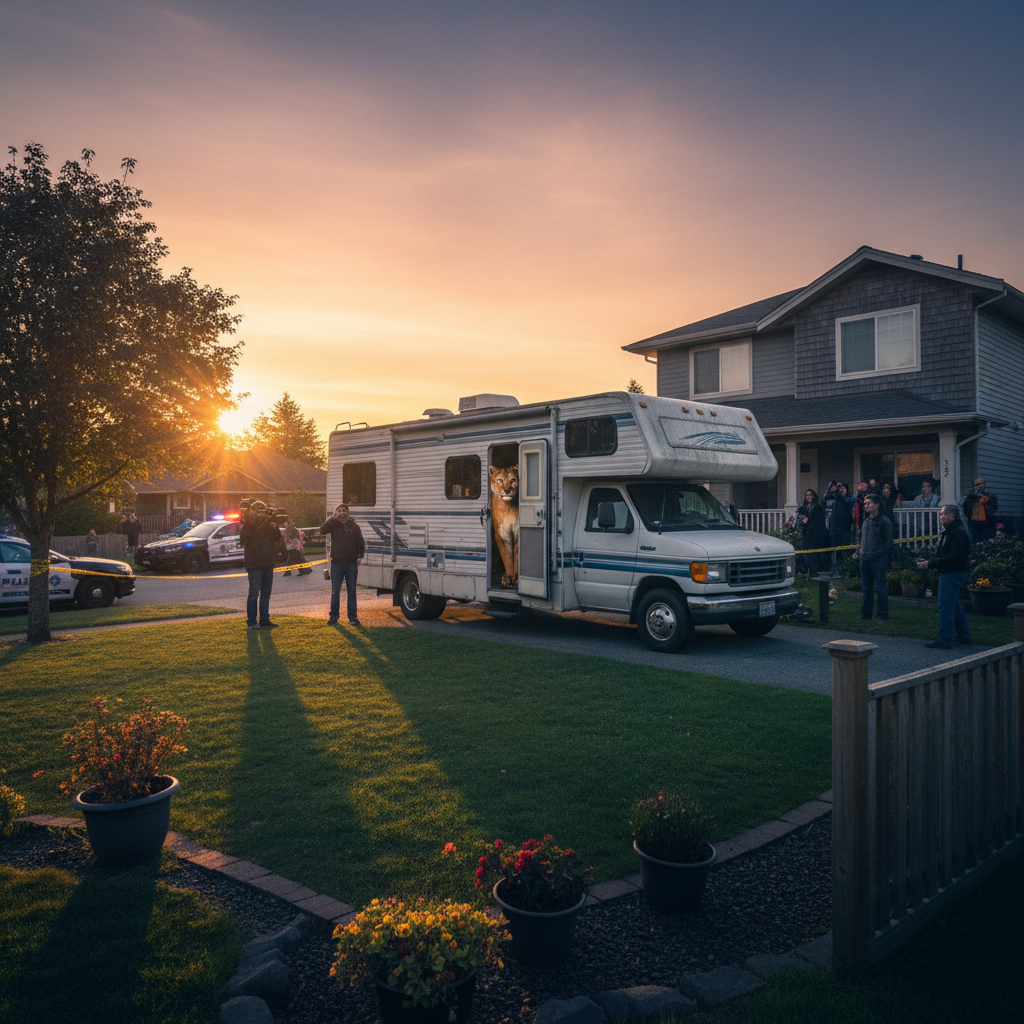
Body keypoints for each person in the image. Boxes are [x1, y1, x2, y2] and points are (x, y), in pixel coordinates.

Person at [917, 505, 972, 649]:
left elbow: (955, 556)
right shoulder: (950, 532)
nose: (941, 517)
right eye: (941, 514)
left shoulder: (957, 532)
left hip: (953, 572)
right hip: (952, 571)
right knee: (954, 604)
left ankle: (945, 639)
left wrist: (930, 564)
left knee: (945, 605)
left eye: (943, 514)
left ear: (952, 516)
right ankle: (964, 636)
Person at [240, 501, 283, 629]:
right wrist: (248, 521)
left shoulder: (269, 525)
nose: (261, 514)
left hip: (268, 563)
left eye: (263, 511)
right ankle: (252, 622)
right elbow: (243, 538)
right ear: (253, 512)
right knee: (254, 594)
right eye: (258, 511)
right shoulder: (249, 525)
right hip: (254, 564)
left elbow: (278, 538)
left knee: (266, 594)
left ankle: (264, 620)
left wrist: (274, 523)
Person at [320, 503, 365, 625]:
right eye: (339, 511)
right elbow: (321, 530)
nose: (342, 513)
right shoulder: (333, 525)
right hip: (337, 564)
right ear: (336, 514)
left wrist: (360, 556)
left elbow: (360, 541)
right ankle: (333, 617)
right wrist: (331, 519)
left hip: (351, 563)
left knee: (352, 590)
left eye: (344, 510)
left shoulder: (354, 526)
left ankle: (353, 617)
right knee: (335, 591)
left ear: (348, 513)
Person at [857, 494, 892, 624]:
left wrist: (878, 553)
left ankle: (882, 614)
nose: (866, 506)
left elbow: (888, 542)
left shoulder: (884, 521)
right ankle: (866, 613)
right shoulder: (866, 521)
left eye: (869, 503)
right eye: (865, 503)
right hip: (865, 558)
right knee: (866, 588)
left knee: (881, 588)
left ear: (877, 504)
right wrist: (861, 552)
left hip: (878, 560)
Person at [796, 489, 828, 576]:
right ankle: (807, 570)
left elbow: (820, 521)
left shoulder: (818, 508)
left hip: (815, 534)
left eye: (810, 495)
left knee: (815, 554)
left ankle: (815, 571)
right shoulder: (802, 508)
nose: (809, 497)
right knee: (806, 553)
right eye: (807, 495)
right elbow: (798, 521)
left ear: (813, 496)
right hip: (805, 533)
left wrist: (810, 522)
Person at [825, 481, 854, 568]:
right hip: (835, 528)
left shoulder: (850, 499)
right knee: (836, 549)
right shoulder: (836, 498)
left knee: (846, 548)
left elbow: (851, 501)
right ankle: (836, 567)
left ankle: (846, 567)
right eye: (840, 488)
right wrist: (831, 487)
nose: (842, 489)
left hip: (846, 528)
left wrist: (843, 494)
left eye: (843, 488)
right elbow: (826, 497)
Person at [963, 478, 998, 545]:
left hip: (987, 524)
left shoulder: (991, 496)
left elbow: (995, 508)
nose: (979, 486)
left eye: (981, 484)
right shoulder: (970, 497)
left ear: (985, 485)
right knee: (974, 542)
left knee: (987, 542)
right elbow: (966, 508)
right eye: (976, 485)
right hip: (973, 523)